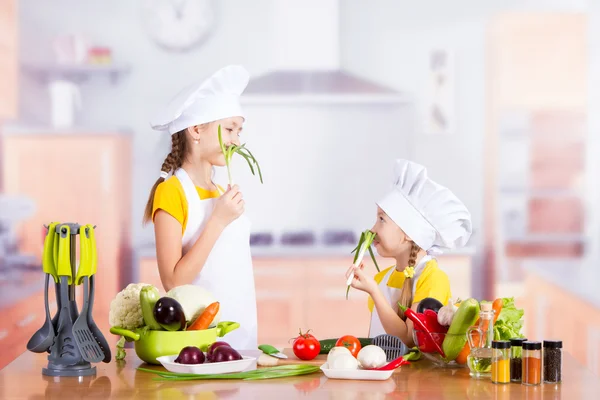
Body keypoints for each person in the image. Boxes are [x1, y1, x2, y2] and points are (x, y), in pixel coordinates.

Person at [144, 65, 257, 349]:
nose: (236, 141)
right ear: (196, 129)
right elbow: (173, 281)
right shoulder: (171, 192)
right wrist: (218, 221)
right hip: (200, 343)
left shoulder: (220, 192)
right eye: (230, 129)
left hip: (241, 339)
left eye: (239, 131)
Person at [346, 159, 472, 350]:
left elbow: (407, 339)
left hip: (415, 379)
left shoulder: (433, 278)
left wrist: (374, 291)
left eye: (382, 219)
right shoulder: (382, 279)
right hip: (383, 376)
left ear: (408, 233)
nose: (372, 229)